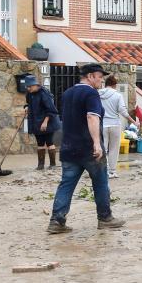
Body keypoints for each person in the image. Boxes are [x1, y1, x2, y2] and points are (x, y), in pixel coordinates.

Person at [48, 63, 125, 234]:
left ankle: (56, 221)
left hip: (69, 148)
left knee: (66, 184)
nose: (101, 80)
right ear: (90, 76)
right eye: (99, 77)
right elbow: (92, 117)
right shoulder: (91, 93)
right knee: (100, 183)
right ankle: (105, 218)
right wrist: (96, 143)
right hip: (89, 149)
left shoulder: (68, 93)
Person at [100, 75, 137, 179]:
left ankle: (104, 171)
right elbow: (123, 111)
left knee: (103, 149)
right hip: (115, 125)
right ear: (114, 85)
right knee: (114, 149)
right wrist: (133, 121)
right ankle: (112, 171)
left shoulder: (98, 94)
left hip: (102, 124)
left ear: (106, 84)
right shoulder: (117, 95)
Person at [23, 75, 60, 170]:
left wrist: (45, 122)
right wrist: (26, 107)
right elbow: (28, 103)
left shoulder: (44, 94)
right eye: (27, 86)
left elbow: (51, 110)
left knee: (49, 142)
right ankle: (40, 165)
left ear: (36, 85)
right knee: (40, 143)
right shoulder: (30, 93)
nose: (28, 88)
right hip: (36, 122)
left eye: (30, 86)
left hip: (48, 122)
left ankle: (52, 165)